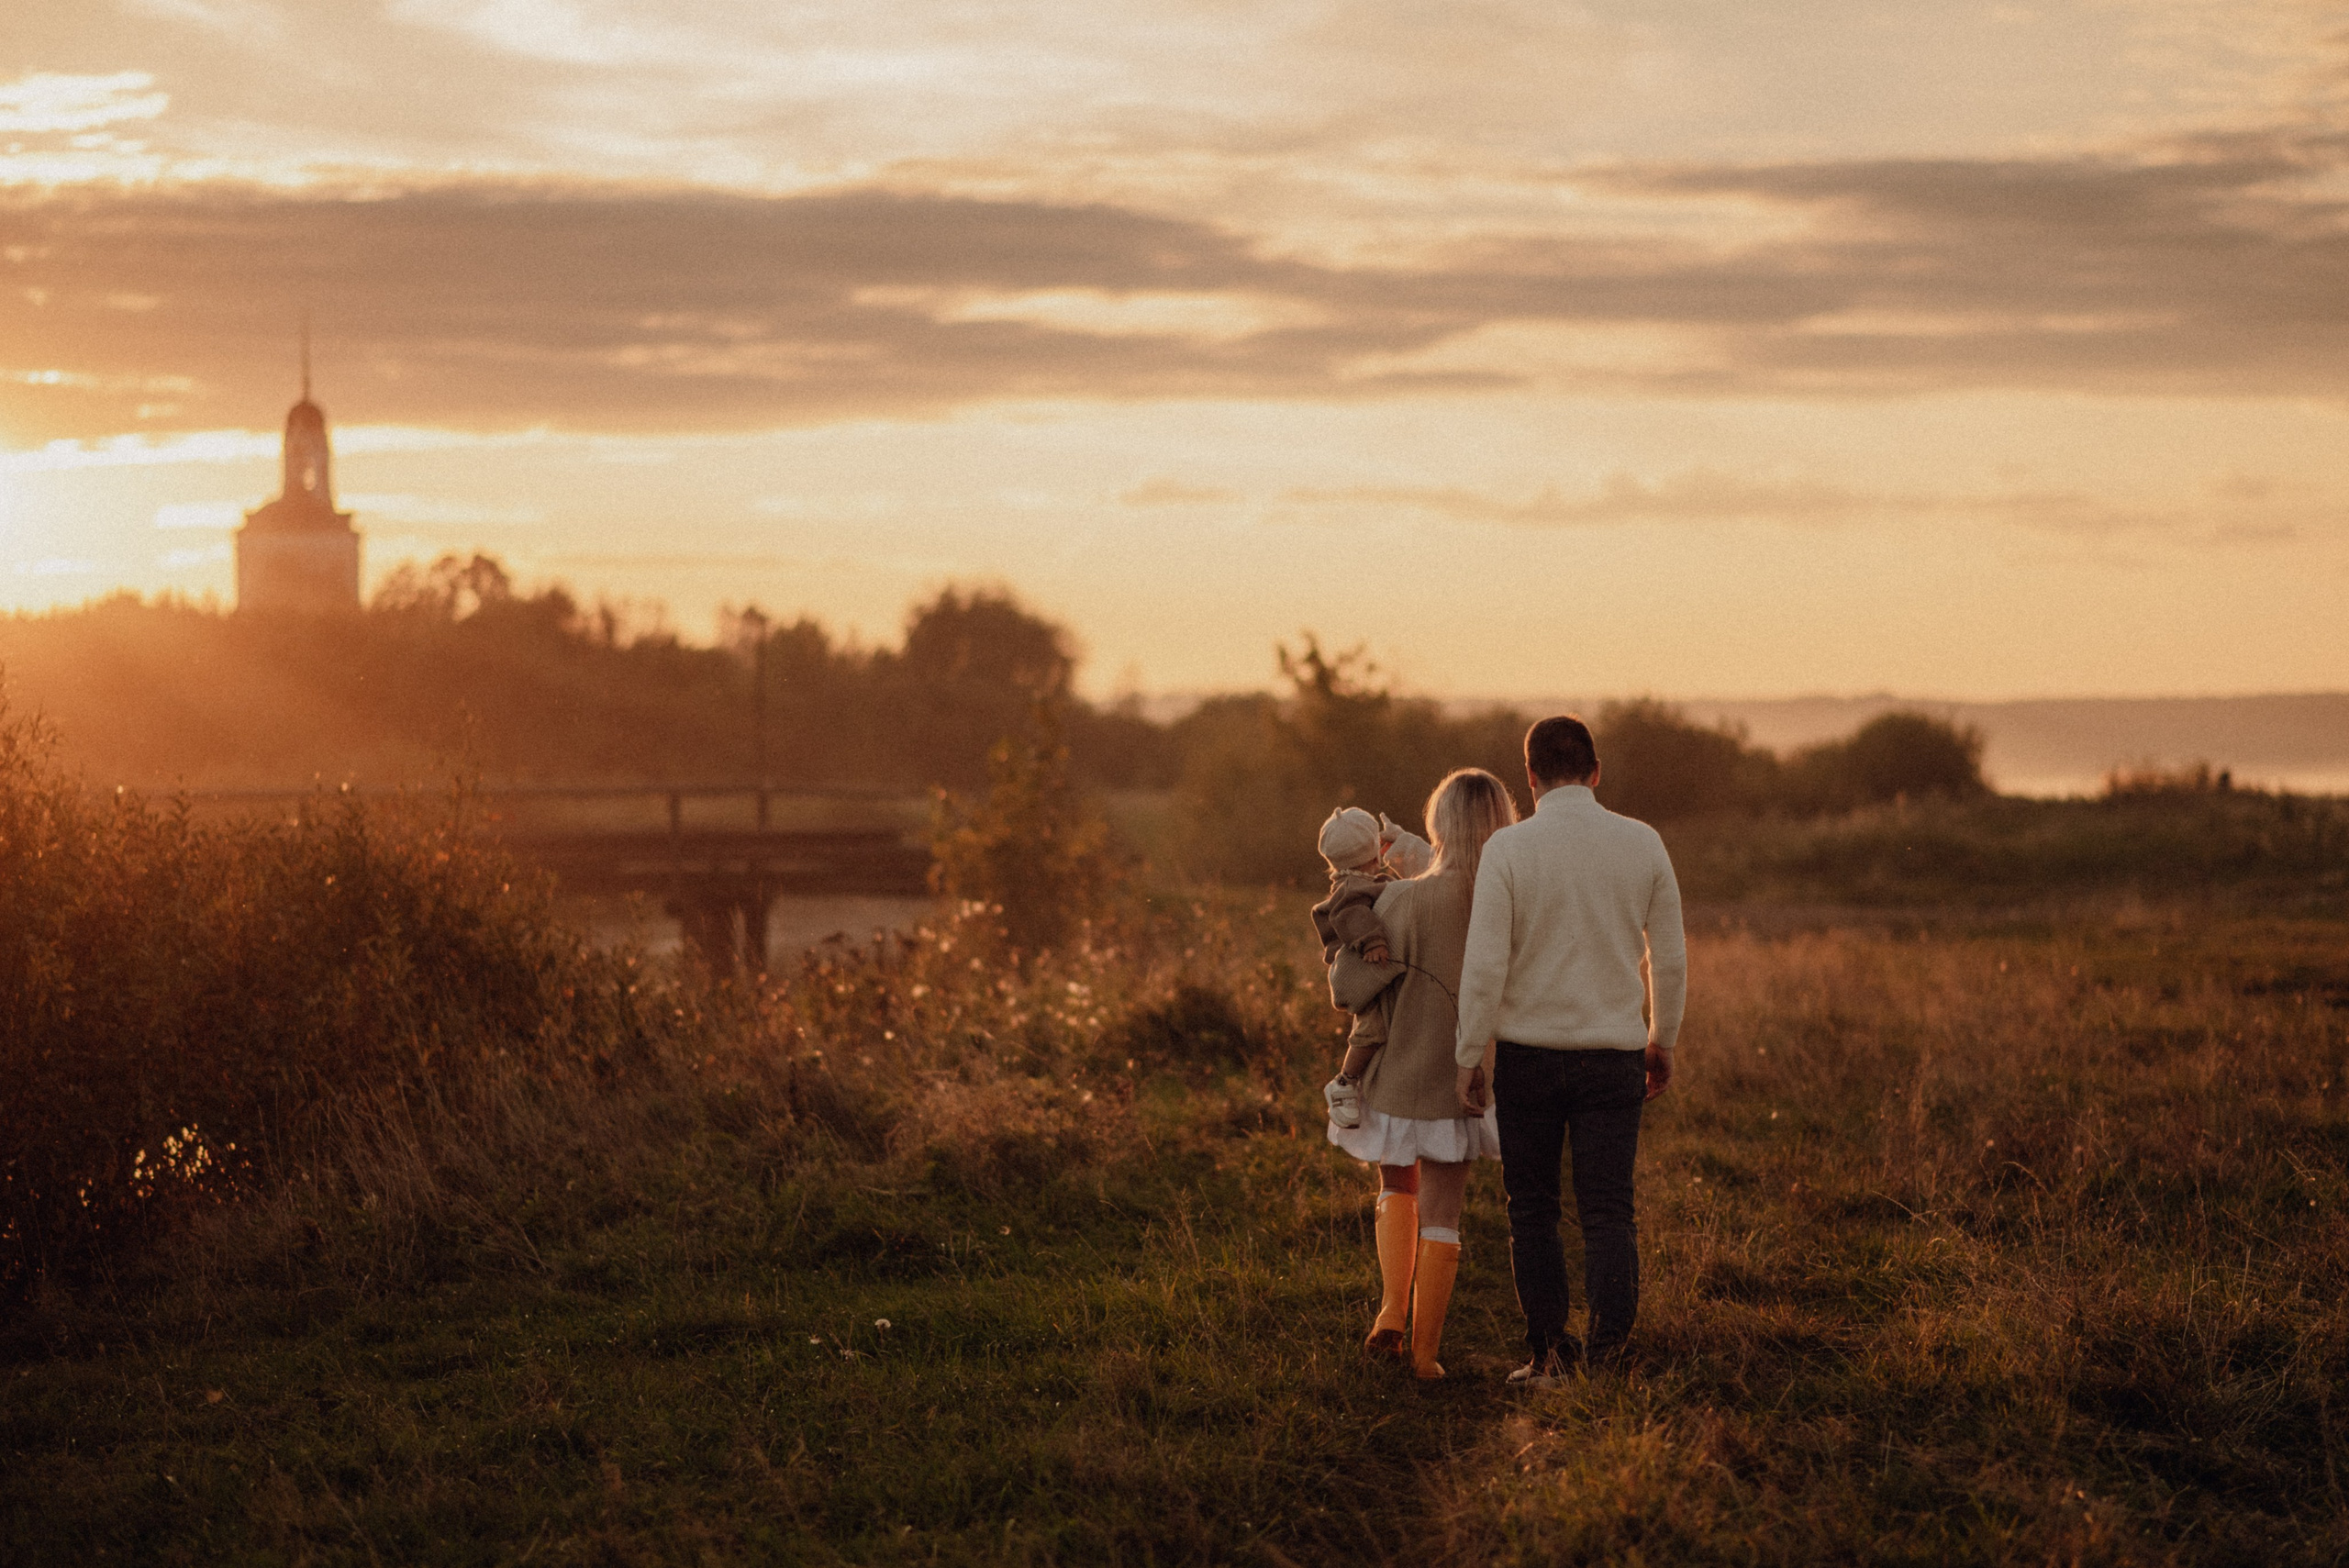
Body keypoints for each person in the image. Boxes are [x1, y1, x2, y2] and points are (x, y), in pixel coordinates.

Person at [1453, 715, 1686, 1385]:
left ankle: (1550, 1355)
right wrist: (1662, 1038)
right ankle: (1609, 1358)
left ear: (1529, 777)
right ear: (1596, 770)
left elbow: (1485, 963)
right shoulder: (1643, 843)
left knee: (1532, 1210)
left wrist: (1470, 1052)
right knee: (1608, 1207)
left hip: (1526, 1054)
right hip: (1614, 1054)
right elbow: (1668, 957)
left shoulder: (1508, 849)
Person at [1325, 768, 1518, 1379]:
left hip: (1397, 1072)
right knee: (1444, 1210)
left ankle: (1390, 1310)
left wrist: (1346, 954)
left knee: (1395, 1183)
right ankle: (1427, 1354)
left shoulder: (1401, 899)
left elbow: (1351, 991)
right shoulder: (1507, 901)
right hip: (1462, 1077)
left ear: (1438, 825)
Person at [1310, 806, 1434, 1129]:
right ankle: (1345, 1081)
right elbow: (1352, 916)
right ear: (1372, 854)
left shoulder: (1368, 880)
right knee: (1372, 1029)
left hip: (1377, 970)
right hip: (1362, 965)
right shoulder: (1351, 888)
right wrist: (1372, 942)